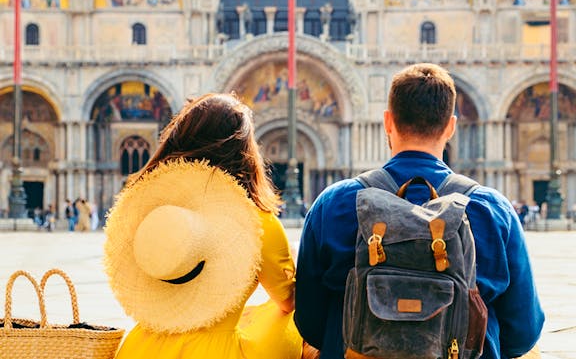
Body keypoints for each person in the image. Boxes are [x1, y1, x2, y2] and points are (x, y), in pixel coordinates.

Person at [295, 63, 544, 359]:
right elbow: (523, 333)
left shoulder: (334, 203)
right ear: (451, 126)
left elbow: (309, 322)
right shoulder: (492, 209)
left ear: (388, 122)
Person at [104, 93, 302, 359]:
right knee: (293, 317)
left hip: (139, 348)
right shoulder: (257, 224)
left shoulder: (158, 214)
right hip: (215, 352)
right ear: (245, 150)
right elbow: (289, 300)